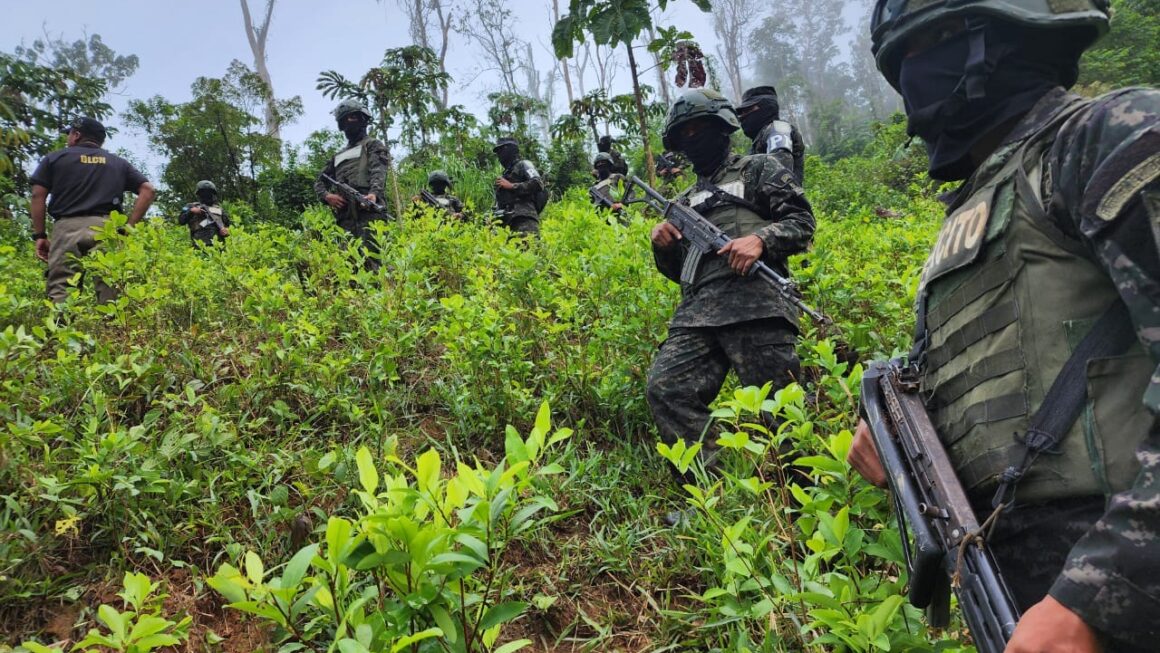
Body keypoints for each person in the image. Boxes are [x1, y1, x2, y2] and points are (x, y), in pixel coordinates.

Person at [846, 2, 1160, 652]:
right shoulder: (972, 216)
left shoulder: (1105, 134)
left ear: (997, 36)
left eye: (928, 43)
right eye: (902, 59)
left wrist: (1098, 592)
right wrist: (897, 440)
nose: (912, 73)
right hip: (1015, 591)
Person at [646, 88, 815, 474]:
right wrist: (664, 245)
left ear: (722, 128)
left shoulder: (758, 169)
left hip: (758, 303)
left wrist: (760, 240)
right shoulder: (685, 200)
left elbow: (803, 224)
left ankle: (803, 508)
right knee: (667, 389)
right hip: (698, 314)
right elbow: (678, 273)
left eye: (700, 129)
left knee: (782, 411)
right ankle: (707, 494)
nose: (693, 140)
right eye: (684, 134)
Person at [30, 116, 155, 303]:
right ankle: (114, 330)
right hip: (106, 228)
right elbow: (148, 190)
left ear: (77, 135)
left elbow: (37, 195)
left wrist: (39, 235)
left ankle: (60, 329)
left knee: (62, 288)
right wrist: (127, 228)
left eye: (69, 133)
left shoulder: (55, 158)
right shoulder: (118, 163)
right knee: (110, 289)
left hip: (67, 228)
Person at [313, 99, 390, 267]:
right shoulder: (337, 156)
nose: (350, 122)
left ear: (363, 119)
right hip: (345, 216)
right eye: (347, 119)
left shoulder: (373, 145)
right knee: (349, 263)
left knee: (374, 259)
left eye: (354, 117)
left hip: (369, 210)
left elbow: (379, 172)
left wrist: (374, 194)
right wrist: (327, 196)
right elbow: (320, 182)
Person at [735, 85, 805, 185]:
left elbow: (779, 173)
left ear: (766, 107)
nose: (743, 116)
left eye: (748, 110)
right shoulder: (761, 137)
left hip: (780, 198)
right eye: (742, 113)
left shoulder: (778, 129)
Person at [492, 137, 544, 237]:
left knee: (529, 250)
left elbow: (538, 183)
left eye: (501, 150)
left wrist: (511, 186)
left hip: (525, 220)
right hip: (507, 224)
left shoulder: (524, 164)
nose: (499, 154)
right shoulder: (505, 175)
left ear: (510, 149)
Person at [178, 180, 230, 247]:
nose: (207, 195)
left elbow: (228, 224)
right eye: (204, 193)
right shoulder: (191, 206)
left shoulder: (219, 209)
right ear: (199, 194)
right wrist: (191, 211)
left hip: (218, 245)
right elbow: (181, 221)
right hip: (199, 245)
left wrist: (226, 230)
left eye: (209, 193)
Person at [589, 152, 626, 218]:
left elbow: (630, 193)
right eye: (599, 164)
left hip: (620, 213)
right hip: (604, 218)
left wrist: (622, 204)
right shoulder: (594, 187)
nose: (601, 165)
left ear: (609, 164)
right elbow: (592, 205)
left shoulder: (617, 177)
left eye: (603, 163)